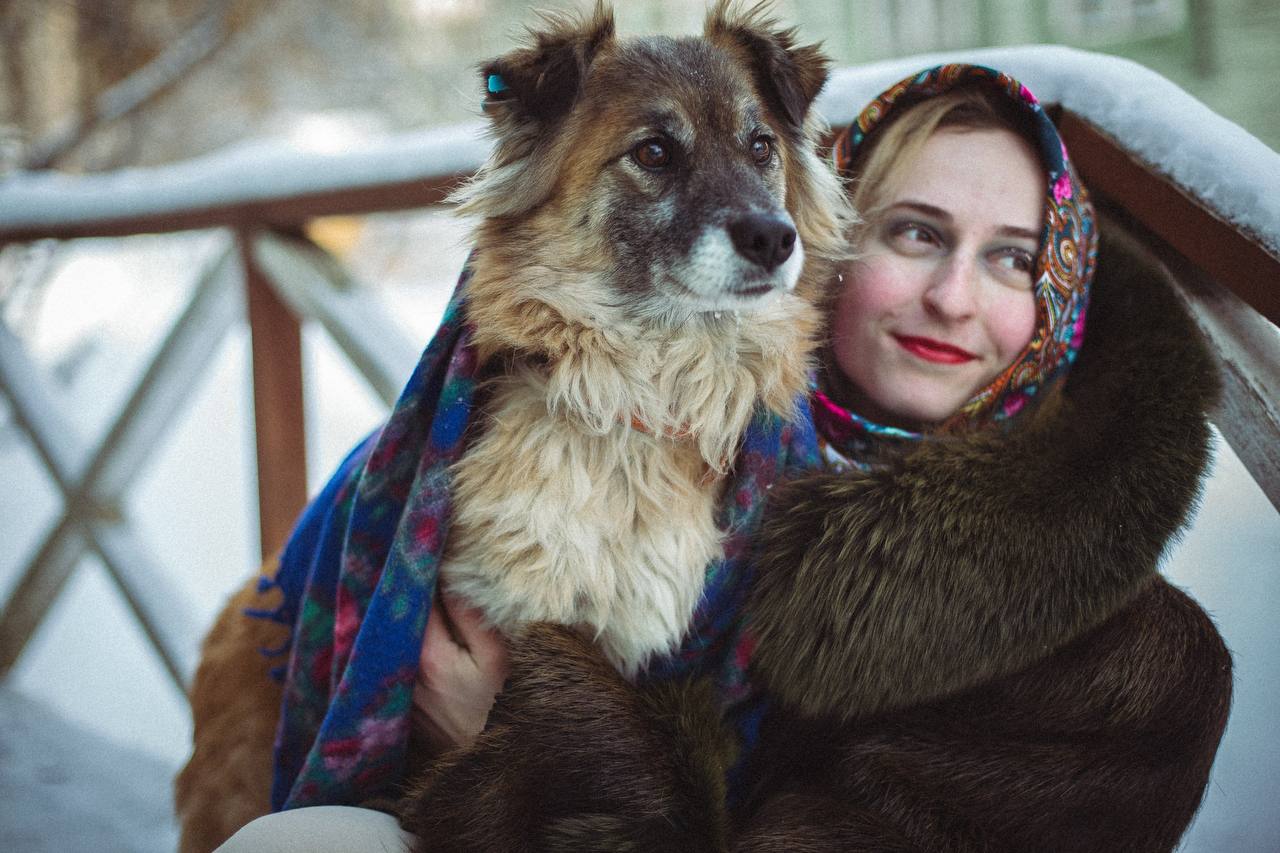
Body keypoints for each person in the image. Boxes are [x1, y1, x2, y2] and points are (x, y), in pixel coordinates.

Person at [221, 65, 1231, 852]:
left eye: (1012, 257)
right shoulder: (645, 443)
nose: (951, 297)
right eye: (914, 234)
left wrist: (523, 737)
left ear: (1058, 300)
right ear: (819, 238)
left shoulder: (1128, 674)